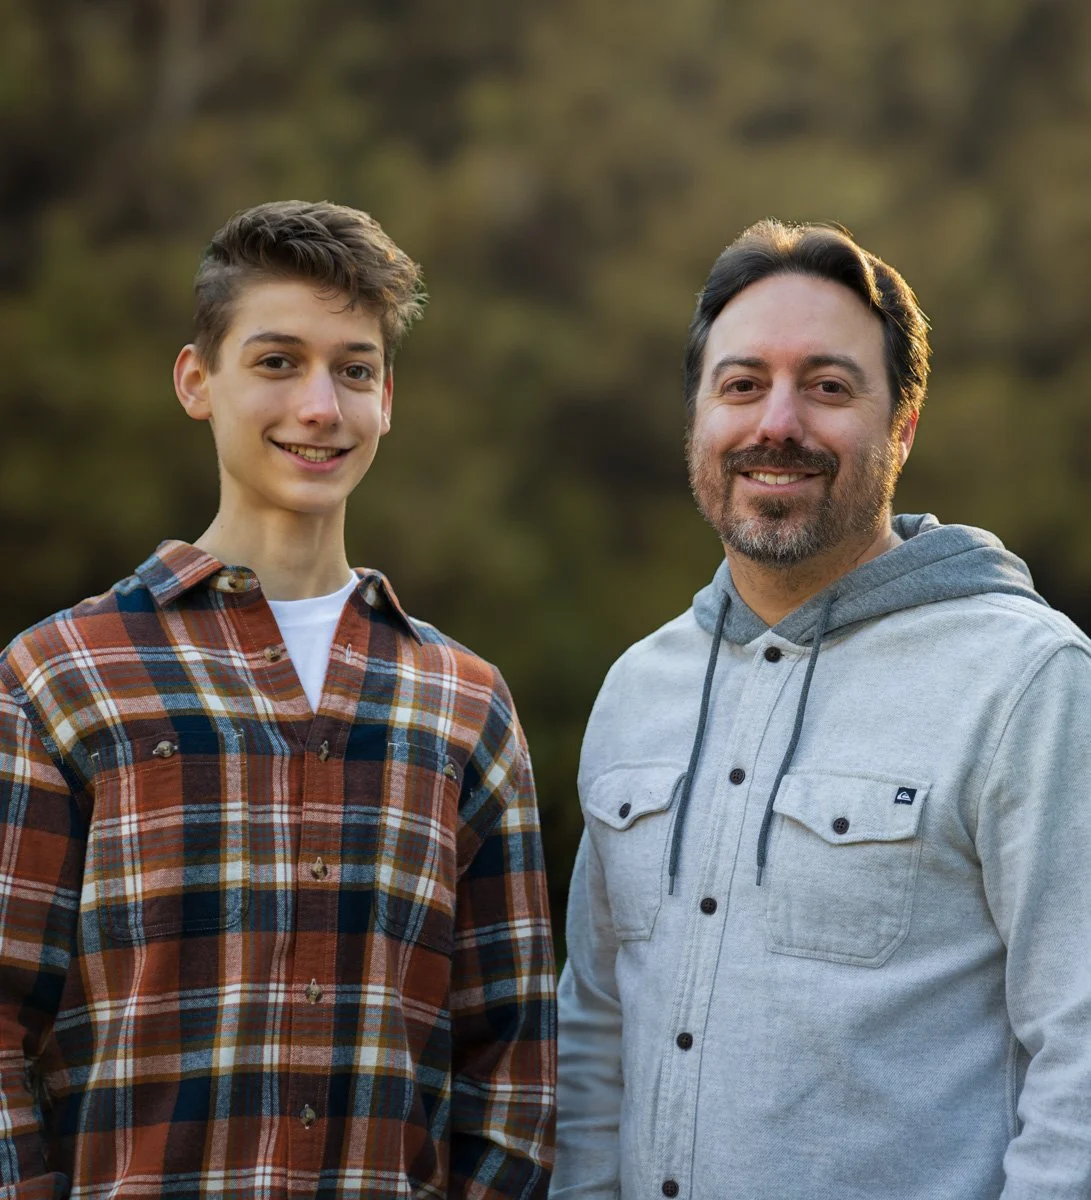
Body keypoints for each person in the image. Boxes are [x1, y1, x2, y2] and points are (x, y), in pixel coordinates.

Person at [0, 200, 555, 1198]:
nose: (319, 406)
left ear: (387, 397)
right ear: (195, 381)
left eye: (352, 369)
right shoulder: (61, 678)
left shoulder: (464, 706)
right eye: (276, 362)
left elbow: (509, 1065)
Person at [552, 219, 1091, 1199]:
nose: (776, 424)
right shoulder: (637, 690)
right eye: (741, 384)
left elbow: (1081, 1060)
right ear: (697, 420)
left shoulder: (1025, 680)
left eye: (828, 387)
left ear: (902, 427)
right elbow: (591, 1035)